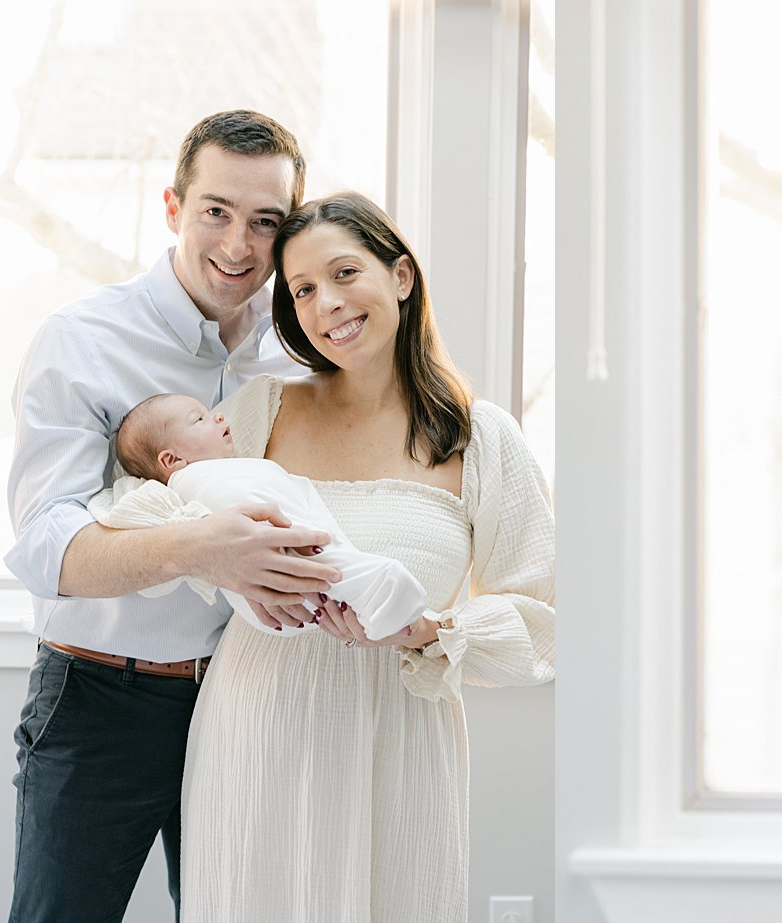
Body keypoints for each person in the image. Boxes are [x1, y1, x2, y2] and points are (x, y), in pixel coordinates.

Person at [171, 191, 554, 920]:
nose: (327, 305)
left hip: (399, 744)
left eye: (345, 273)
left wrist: (431, 631)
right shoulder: (261, 409)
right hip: (257, 732)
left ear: (401, 276)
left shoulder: (480, 437)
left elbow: (544, 618)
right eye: (302, 289)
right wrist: (225, 562)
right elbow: (169, 513)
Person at [3, 109, 331, 922]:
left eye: (266, 222)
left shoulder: (300, 351)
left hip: (244, 701)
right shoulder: (82, 340)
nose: (239, 245)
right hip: (97, 702)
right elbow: (46, 546)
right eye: (216, 211)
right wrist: (198, 549)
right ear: (173, 206)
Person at [93, 392, 432, 640]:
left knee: (335, 570)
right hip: (275, 575)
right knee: (342, 570)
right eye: (199, 419)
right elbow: (236, 512)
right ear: (172, 461)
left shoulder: (223, 471)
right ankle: (388, 602)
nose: (219, 417)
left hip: (283, 601)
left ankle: (382, 606)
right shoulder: (197, 484)